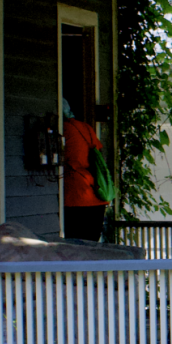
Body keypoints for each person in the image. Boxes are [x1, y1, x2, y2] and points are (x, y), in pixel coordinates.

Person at [62, 98, 109, 241]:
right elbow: (98, 153)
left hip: (74, 194)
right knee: (92, 244)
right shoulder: (86, 128)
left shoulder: (63, 129)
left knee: (74, 245)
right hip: (95, 193)